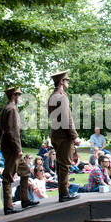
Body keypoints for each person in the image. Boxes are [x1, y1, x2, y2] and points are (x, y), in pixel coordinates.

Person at [0, 87, 39, 214]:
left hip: (9, 147)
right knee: (8, 176)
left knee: (25, 170)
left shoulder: (5, 109)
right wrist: (18, 148)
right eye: (18, 95)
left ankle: (25, 199)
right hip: (12, 149)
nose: (20, 97)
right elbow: (13, 131)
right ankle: (8, 206)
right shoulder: (11, 109)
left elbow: (1, 131)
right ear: (13, 96)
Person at [48, 70, 81, 202]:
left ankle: (63, 192)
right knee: (65, 165)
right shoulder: (62, 97)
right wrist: (74, 136)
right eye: (67, 80)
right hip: (63, 136)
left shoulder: (52, 96)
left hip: (55, 134)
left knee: (61, 164)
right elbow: (67, 119)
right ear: (61, 82)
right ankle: (64, 193)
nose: (68, 82)